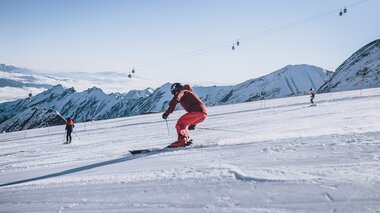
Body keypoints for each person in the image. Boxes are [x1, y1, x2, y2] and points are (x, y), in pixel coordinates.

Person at [162, 83, 207, 148]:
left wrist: (167, 113)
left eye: (174, 92)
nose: (174, 94)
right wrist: (193, 124)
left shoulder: (183, 92)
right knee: (182, 124)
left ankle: (182, 141)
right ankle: (184, 140)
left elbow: (175, 99)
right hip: (203, 114)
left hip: (196, 112)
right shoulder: (188, 92)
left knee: (180, 124)